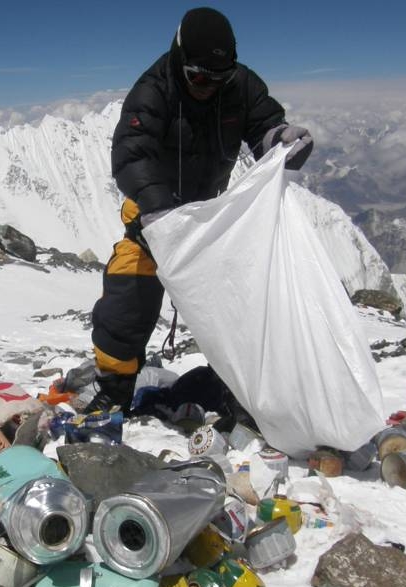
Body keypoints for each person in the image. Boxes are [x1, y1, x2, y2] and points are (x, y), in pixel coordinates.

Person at [86, 6, 313, 413]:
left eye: (219, 77)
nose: (208, 85)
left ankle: (242, 392)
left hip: (211, 222)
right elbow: (130, 155)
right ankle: (114, 392)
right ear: (179, 58)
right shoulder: (153, 91)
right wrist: (157, 213)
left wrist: (280, 139)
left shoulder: (240, 86)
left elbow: (264, 124)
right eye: (199, 76)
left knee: (242, 305)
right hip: (153, 223)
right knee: (126, 301)